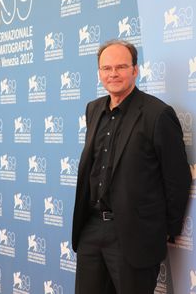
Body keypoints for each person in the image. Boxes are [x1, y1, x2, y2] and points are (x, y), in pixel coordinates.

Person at [72, 40, 192, 294]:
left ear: (135, 70)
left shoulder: (157, 114)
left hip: (134, 235)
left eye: (120, 67)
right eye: (106, 68)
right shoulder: (93, 110)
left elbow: (177, 178)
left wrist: (164, 230)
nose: (113, 74)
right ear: (99, 72)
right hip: (91, 230)